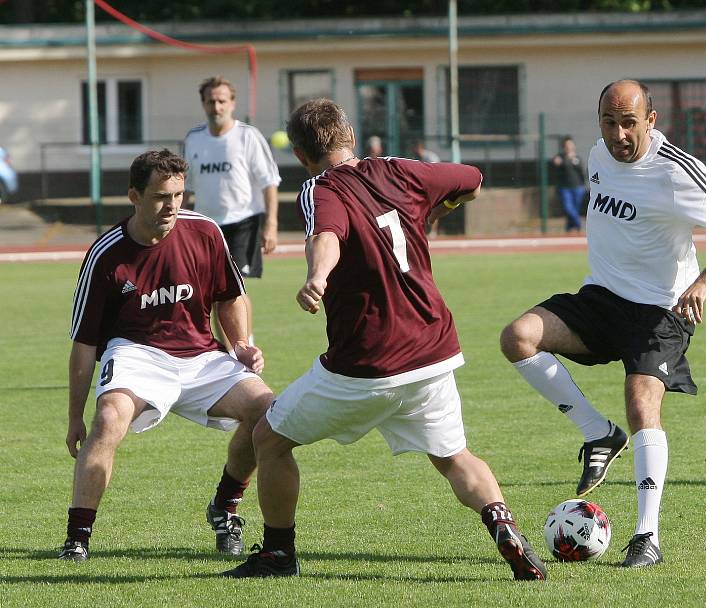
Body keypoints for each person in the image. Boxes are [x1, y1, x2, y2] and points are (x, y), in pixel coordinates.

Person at [222, 99, 547, 581]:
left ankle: (277, 554)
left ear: (300, 155)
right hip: (434, 349)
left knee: (268, 437)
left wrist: (317, 276)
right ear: (349, 133)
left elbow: (326, 235)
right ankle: (505, 528)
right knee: (454, 457)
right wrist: (437, 206)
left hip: (368, 362)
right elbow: (472, 179)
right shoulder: (401, 170)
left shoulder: (318, 188)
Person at [500, 80, 706, 568]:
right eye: (608, 122)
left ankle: (646, 537)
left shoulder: (677, 171)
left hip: (660, 311)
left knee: (642, 405)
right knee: (519, 337)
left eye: (629, 123)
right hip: (600, 299)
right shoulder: (598, 155)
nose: (618, 134)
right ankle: (598, 433)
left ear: (651, 120)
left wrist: (703, 284)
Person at [58, 150, 274, 562]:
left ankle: (225, 508)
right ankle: (78, 536)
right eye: (160, 196)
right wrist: (73, 416)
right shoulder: (105, 253)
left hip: (201, 356)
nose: (172, 205)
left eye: (178, 194)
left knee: (267, 410)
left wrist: (241, 342)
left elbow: (232, 295)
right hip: (136, 355)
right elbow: (84, 342)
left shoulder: (205, 231)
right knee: (108, 420)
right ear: (134, 196)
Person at [184, 75, 282, 349]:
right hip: (206, 226)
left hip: (243, 222)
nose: (216, 107)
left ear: (232, 103)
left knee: (235, 290)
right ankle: (230, 353)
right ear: (203, 104)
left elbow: (269, 181)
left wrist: (271, 225)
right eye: (210, 101)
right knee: (216, 296)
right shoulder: (194, 139)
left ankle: (245, 348)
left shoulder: (248, 136)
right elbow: (187, 187)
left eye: (221, 101)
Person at [551, 136, 586, 233]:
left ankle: (569, 228)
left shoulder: (577, 158)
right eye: (567, 145)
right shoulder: (560, 157)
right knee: (568, 208)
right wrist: (565, 160)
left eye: (570, 145)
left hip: (578, 187)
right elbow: (556, 163)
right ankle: (580, 224)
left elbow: (581, 171)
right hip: (565, 188)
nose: (569, 147)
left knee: (575, 209)